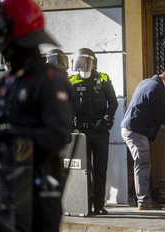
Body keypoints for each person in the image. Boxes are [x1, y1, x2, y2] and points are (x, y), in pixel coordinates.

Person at [0, 0, 73, 231]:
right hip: (8, 190)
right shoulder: (8, 80)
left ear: (17, 35)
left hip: (39, 194)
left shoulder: (50, 79)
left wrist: (5, 134)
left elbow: (57, 137)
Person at [120, 70, 165, 210]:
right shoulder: (158, 88)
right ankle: (144, 201)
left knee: (141, 163)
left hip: (132, 128)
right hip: (136, 131)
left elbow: (150, 105)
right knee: (143, 164)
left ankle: (143, 199)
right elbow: (161, 116)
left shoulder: (146, 82)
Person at [70, 48, 118, 215]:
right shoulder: (72, 81)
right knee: (82, 170)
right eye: (79, 63)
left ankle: (98, 205)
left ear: (92, 62)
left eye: (85, 63)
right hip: (81, 132)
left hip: (100, 131)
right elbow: (66, 106)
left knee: (100, 170)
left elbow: (113, 102)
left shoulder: (103, 78)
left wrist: (107, 117)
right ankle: (84, 204)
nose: (81, 67)